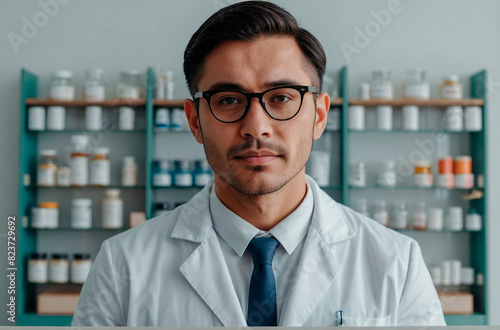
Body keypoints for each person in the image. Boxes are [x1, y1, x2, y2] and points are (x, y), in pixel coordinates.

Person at [72, 1, 446, 326]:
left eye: (282, 97)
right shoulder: (124, 264)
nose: (256, 128)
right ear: (195, 121)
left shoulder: (396, 262)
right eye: (229, 100)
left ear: (318, 116)